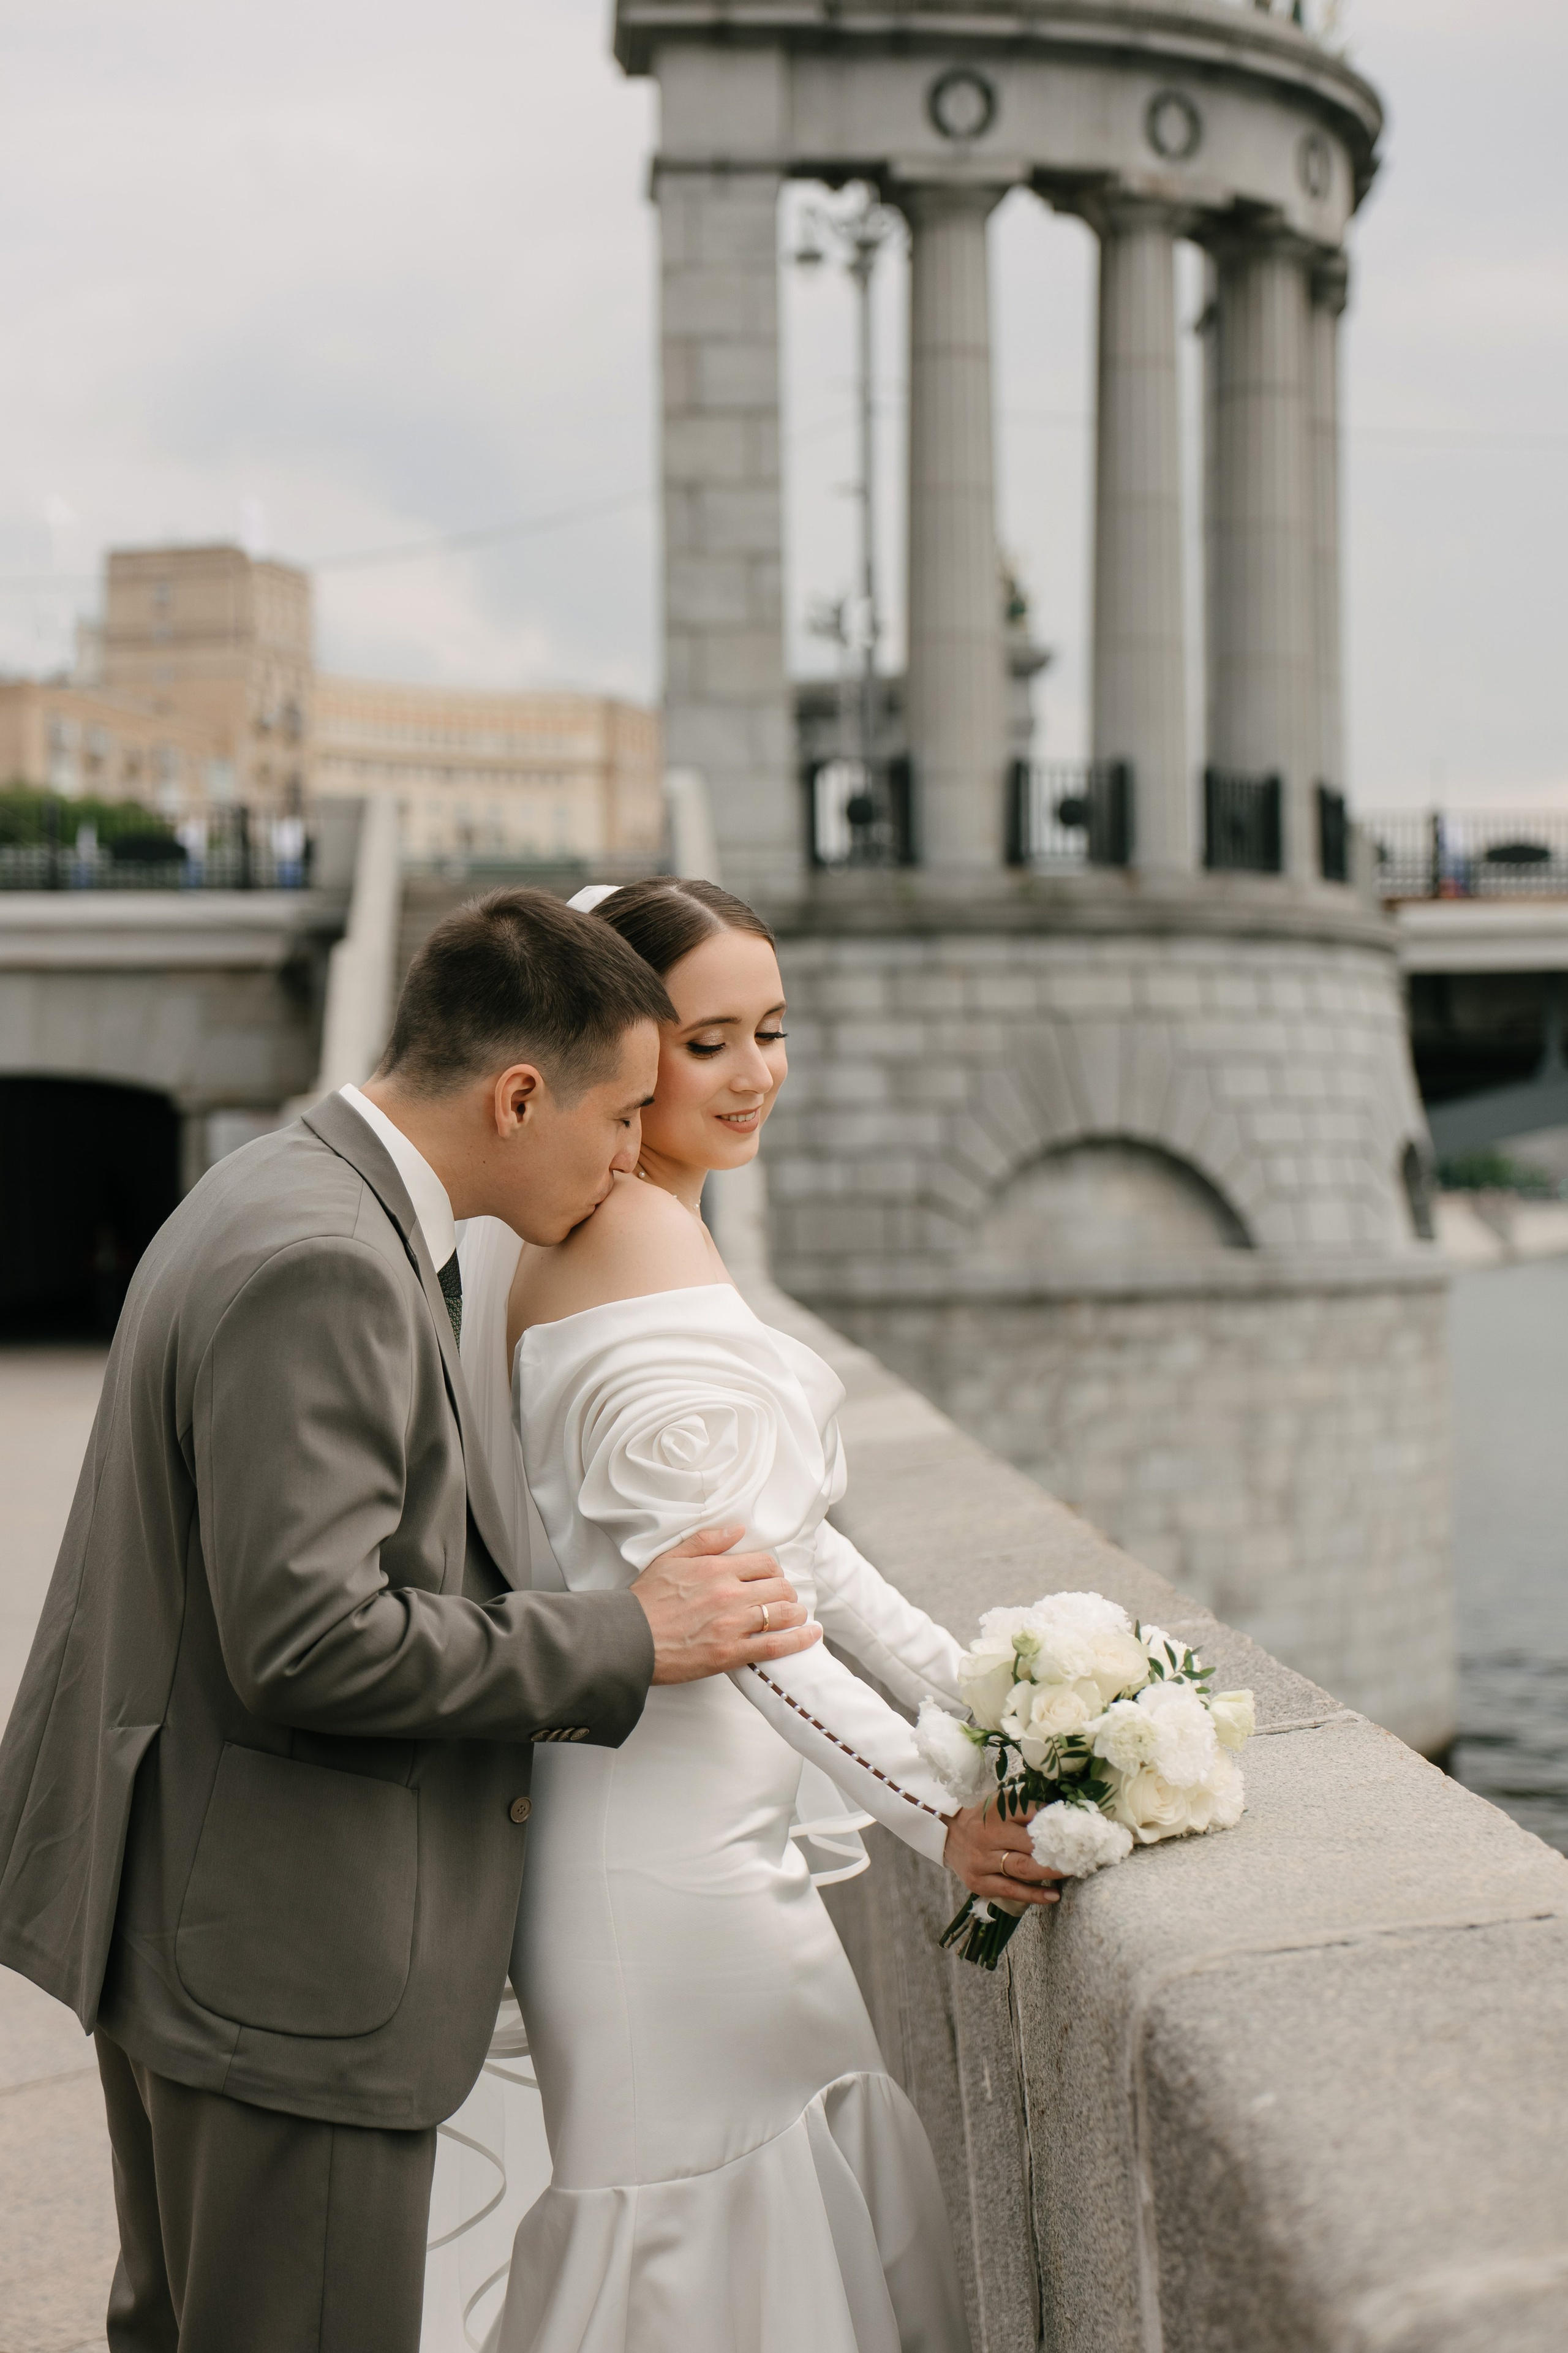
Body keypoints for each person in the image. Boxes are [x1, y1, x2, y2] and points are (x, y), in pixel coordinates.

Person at [0, 887, 826, 2353]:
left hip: (178, 1909)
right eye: (623, 1113)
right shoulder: (329, 1261)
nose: (635, 1156)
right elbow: (311, 1639)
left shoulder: (270, 1184)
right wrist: (627, 1631)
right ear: (518, 1094)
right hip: (276, 1960)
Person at [456, 878, 1061, 2353]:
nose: (753, 1074)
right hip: (666, 1860)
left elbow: (797, 1554)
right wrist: (941, 1814)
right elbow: (747, 1624)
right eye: (707, 1038)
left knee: (756, 2217)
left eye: (772, 1031)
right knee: (702, 2241)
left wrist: (988, 1687)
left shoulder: (633, 1228)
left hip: (676, 1835)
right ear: (624, 1046)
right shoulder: (636, 1247)